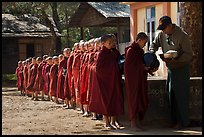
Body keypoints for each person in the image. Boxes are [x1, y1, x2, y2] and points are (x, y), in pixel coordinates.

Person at [149, 16, 193, 129]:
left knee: (181, 96)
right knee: (170, 96)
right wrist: (151, 52)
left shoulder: (183, 36)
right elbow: (154, 44)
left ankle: (183, 122)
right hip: (170, 70)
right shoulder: (162, 34)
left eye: (164, 28)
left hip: (181, 69)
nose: (163, 31)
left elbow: (189, 54)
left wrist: (177, 59)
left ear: (170, 26)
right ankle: (173, 120)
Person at [124, 32, 157, 131]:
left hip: (140, 79)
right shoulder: (131, 51)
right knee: (133, 101)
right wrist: (142, 67)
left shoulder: (140, 51)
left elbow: (141, 64)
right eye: (144, 42)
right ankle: (133, 124)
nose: (145, 45)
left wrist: (149, 70)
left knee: (140, 100)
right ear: (139, 40)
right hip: (132, 81)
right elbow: (129, 67)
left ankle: (137, 123)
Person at [94, 34, 124, 130]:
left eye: (112, 42)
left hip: (114, 81)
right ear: (103, 43)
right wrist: (111, 70)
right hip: (105, 82)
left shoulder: (113, 52)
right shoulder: (101, 54)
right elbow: (98, 69)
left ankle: (114, 121)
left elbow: (118, 63)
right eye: (109, 42)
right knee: (106, 102)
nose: (112, 44)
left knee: (116, 100)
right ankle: (107, 123)